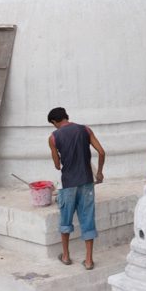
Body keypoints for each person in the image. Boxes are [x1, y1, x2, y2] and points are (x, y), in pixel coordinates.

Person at [47, 106, 105, 269]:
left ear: (54, 121)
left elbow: (58, 166)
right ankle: (88, 260)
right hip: (87, 182)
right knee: (87, 219)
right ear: (66, 117)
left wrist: (57, 155)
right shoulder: (85, 130)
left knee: (65, 220)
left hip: (68, 184)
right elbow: (101, 152)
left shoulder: (53, 137)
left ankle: (65, 256)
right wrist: (99, 173)